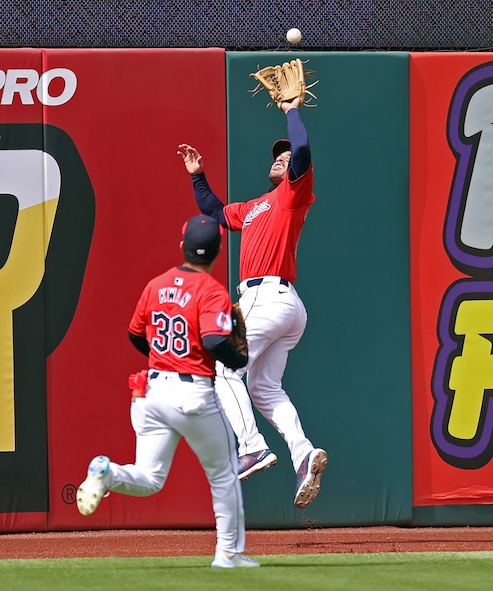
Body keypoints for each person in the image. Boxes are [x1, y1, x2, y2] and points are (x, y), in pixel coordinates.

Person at [76, 214, 259, 569]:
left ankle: (107, 473)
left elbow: (134, 334)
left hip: (152, 392)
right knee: (222, 474)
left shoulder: (156, 285)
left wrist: (165, 359)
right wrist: (237, 359)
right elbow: (213, 340)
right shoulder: (211, 291)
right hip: (192, 396)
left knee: (150, 477)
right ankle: (228, 555)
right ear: (218, 252)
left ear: (182, 247)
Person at [177, 96, 327, 509]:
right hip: (281, 305)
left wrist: (291, 110)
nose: (281, 159)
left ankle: (252, 446)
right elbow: (215, 211)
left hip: (269, 297)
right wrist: (198, 176)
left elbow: (303, 152)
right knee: (264, 387)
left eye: (285, 156)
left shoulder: (293, 196)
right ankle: (304, 454)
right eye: (277, 156)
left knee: (223, 369)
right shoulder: (256, 207)